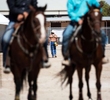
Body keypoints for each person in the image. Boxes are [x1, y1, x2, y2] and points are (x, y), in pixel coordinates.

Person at [1, 0, 50, 73]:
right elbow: (12, 7)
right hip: (15, 20)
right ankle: (6, 63)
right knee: (5, 39)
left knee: (43, 38)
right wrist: (21, 13)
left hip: (30, 19)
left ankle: (44, 59)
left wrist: (28, 13)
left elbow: (34, 5)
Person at [62, 0, 109, 66]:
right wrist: (78, 19)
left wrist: (96, 16)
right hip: (75, 22)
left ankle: (102, 55)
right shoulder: (71, 1)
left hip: (89, 21)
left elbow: (98, 8)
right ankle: (66, 57)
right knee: (66, 34)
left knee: (103, 35)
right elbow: (70, 12)